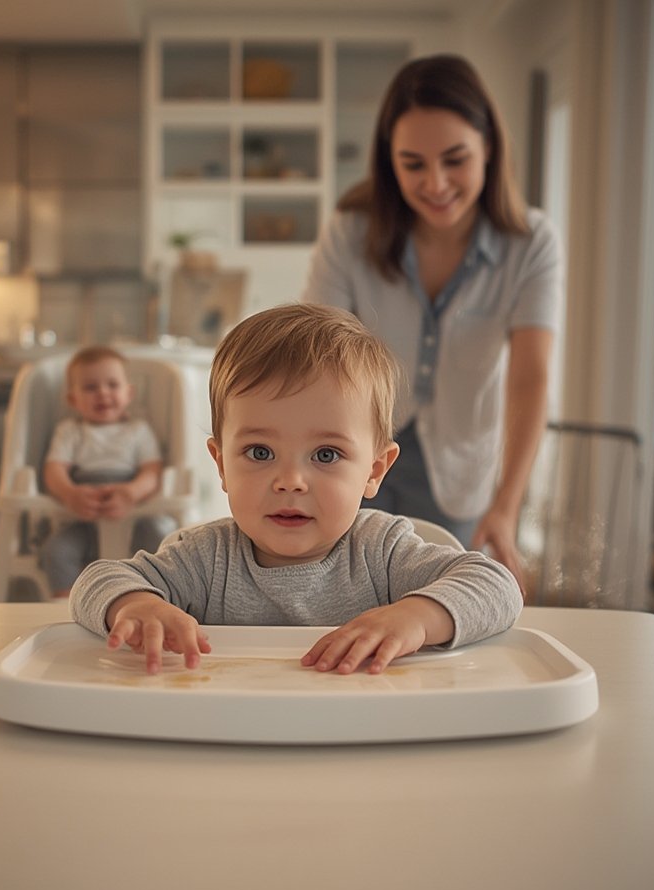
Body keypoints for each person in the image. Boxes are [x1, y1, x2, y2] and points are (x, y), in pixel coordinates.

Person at [69, 303, 523, 675]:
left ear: (374, 470)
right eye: (260, 453)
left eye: (326, 455)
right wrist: (137, 604)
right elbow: (97, 579)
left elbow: (496, 585)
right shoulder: (203, 559)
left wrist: (416, 618)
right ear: (221, 464)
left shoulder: (382, 553)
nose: (290, 481)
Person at [302, 54, 563, 591]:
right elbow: (316, 350)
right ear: (388, 161)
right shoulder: (350, 232)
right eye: (413, 163)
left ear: (488, 148)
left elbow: (530, 378)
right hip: (349, 455)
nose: (436, 182)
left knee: (433, 615)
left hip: (459, 472)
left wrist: (507, 505)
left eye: (455, 159)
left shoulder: (532, 243)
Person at [41, 346, 174, 597]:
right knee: (56, 550)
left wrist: (131, 493)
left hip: (134, 512)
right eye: (90, 387)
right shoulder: (70, 431)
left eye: (112, 385)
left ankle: (158, 598)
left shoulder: (138, 430)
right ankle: (66, 606)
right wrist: (70, 494)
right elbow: (54, 470)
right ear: (73, 400)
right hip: (83, 514)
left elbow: (152, 472)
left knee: (162, 541)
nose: (102, 393)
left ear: (129, 393)